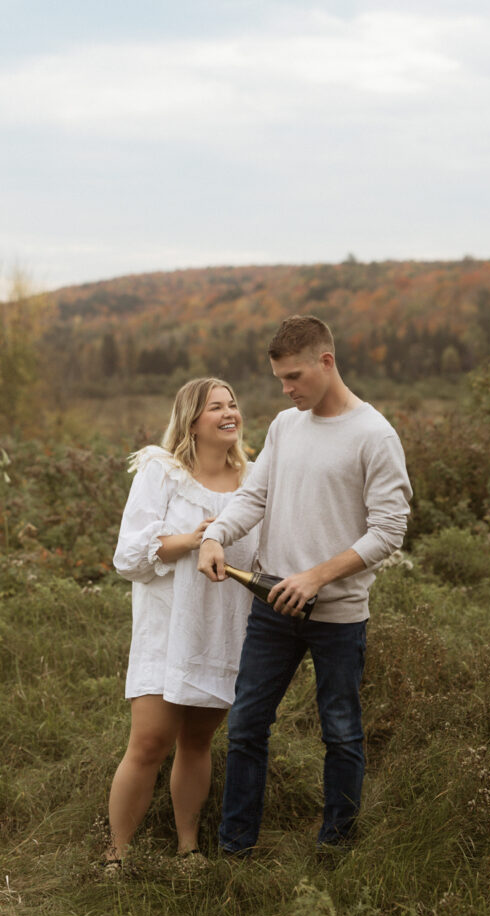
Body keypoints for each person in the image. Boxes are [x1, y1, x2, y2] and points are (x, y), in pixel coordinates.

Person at [198, 315, 412, 855]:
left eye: (294, 377)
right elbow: (255, 496)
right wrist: (216, 535)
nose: (287, 389)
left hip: (338, 616)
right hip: (273, 608)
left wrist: (317, 576)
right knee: (246, 727)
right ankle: (235, 849)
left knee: (340, 733)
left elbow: (389, 531)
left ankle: (334, 849)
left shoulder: (374, 436)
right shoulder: (284, 426)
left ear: (326, 361)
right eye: (279, 380)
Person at [106, 377, 258, 870]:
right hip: (167, 629)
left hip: (221, 631)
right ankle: (118, 854)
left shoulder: (254, 481)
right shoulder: (162, 472)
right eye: (216, 406)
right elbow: (128, 556)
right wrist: (191, 540)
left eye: (232, 404)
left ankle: (187, 847)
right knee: (149, 742)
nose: (229, 412)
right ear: (192, 419)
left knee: (197, 741)